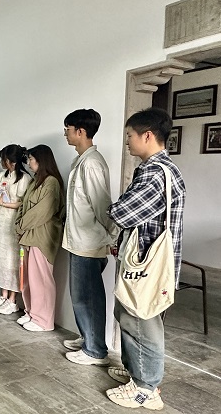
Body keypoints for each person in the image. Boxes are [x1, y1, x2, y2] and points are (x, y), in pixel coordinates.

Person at [105, 108, 185, 410]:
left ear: (147, 135)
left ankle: (145, 388)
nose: (127, 141)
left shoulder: (154, 173)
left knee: (142, 323)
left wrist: (112, 209)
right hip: (148, 264)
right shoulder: (162, 169)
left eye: (130, 136)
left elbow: (122, 213)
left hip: (147, 267)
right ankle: (135, 373)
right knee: (131, 317)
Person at [60, 109, 118, 366]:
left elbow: (102, 206)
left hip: (89, 242)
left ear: (80, 131)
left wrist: (111, 237)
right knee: (80, 295)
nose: (65, 134)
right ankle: (88, 338)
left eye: (67, 129)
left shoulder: (91, 163)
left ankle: (95, 350)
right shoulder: (81, 161)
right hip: (78, 240)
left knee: (89, 296)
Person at [15, 145, 65, 332]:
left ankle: (43, 321)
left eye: (31, 159)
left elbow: (41, 212)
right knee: (29, 278)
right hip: (28, 235)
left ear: (41, 160)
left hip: (42, 237)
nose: (28, 163)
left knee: (41, 279)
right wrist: (19, 225)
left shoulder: (51, 182)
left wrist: (20, 226)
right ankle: (32, 312)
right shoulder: (36, 180)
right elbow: (23, 206)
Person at [0, 145, 31, 315]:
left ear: (10, 161)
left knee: (12, 259)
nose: (1, 162)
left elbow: (23, 202)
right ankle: (3, 295)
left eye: (3, 159)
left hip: (14, 219)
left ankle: (13, 299)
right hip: (2, 219)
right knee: (1, 256)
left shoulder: (25, 178)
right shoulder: (2, 175)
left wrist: (6, 204)